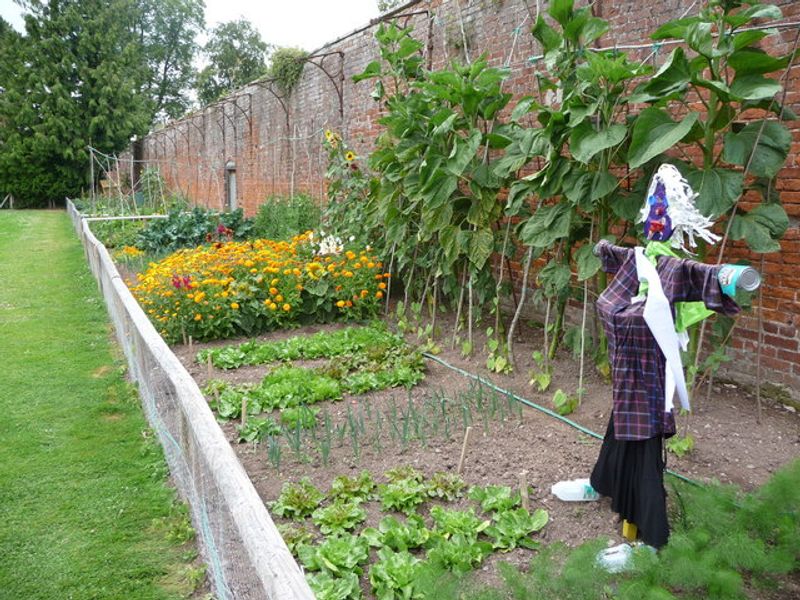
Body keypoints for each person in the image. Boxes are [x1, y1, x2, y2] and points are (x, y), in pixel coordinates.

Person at [589, 164, 742, 549]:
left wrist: (728, 277)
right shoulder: (639, 260)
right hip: (627, 374)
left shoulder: (673, 269)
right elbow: (612, 255)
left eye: (664, 212)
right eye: (653, 211)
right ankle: (604, 481)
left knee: (643, 447)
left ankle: (648, 535)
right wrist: (603, 249)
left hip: (649, 379)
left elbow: (702, 275)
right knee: (620, 424)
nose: (657, 220)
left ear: (676, 220)